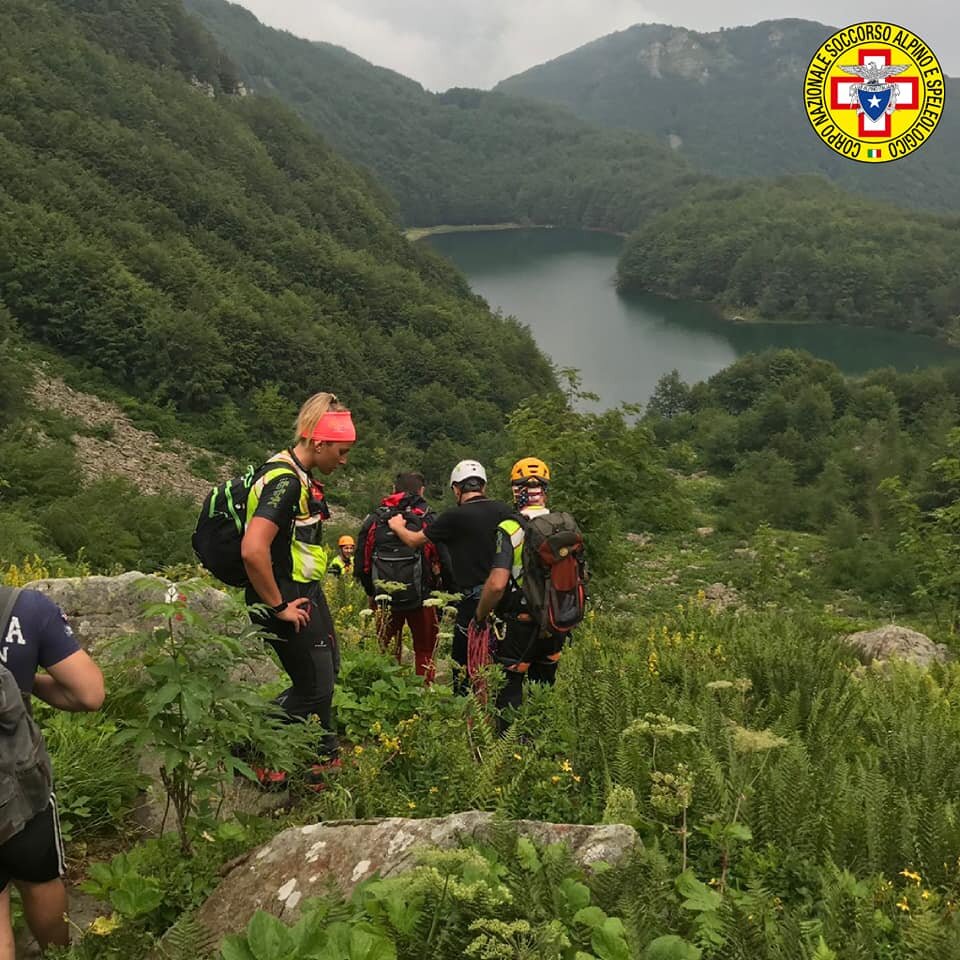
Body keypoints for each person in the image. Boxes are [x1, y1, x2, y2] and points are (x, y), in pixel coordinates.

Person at [240, 391, 355, 787]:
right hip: (284, 596)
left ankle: (323, 757)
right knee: (314, 686)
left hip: (304, 590)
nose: (344, 460)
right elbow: (253, 549)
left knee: (326, 673)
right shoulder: (285, 482)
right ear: (319, 443)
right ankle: (251, 745)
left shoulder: (297, 474)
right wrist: (278, 606)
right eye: (341, 451)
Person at [0, 586, 105, 957]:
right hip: (20, 791)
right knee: (41, 880)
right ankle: (59, 955)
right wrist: (23, 682)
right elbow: (89, 694)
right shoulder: (25, 608)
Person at [388, 460, 512, 695]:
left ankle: (466, 705)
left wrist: (397, 527)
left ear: (456, 488)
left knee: (463, 664)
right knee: (500, 660)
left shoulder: (453, 517)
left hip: (472, 601)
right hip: (504, 597)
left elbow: (414, 541)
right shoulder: (504, 511)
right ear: (483, 486)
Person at [473, 458, 568, 729]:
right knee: (543, 687)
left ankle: (510, 746)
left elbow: (497, 584)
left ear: (516, 490)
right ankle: (542, 742)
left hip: (520, 622)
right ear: (545, 489)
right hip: (556, 621)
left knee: (510, 688)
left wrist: (480, 615)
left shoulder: (510, 529)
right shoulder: (563, 527)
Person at [356, 472, 445, 681]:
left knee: (387, 650)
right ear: (421, 491)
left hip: (384, 598)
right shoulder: (427, 518)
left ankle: (388, 690)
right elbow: (442, 557)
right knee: (425, 650)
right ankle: (425, 693)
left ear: (393, 490)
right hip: (422, 598)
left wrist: (372, 592)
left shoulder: (376, 519)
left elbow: (362, 563)